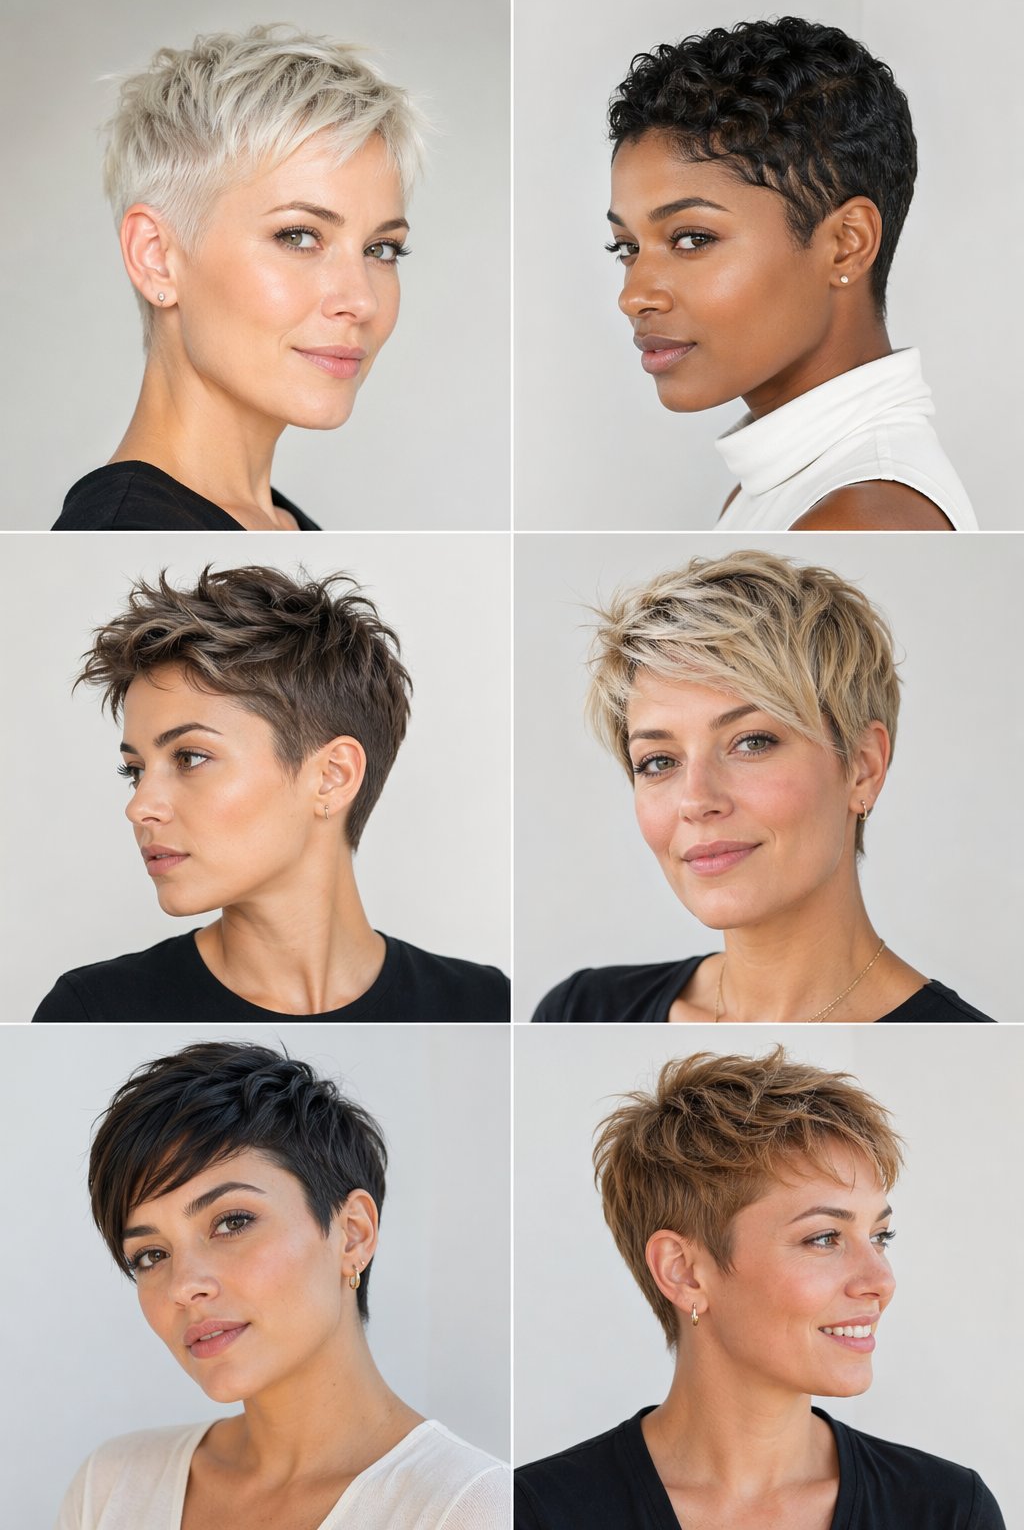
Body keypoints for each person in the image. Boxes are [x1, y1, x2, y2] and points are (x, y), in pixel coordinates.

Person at [515, 1047, 1005, 1529]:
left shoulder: (949, 1511)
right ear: (684, 1271)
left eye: (880, 1237)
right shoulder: (532, 1513)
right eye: (824, 1238)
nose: (882, 1281)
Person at [57, 1040, 510, 1528]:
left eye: (231, 1223)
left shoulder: (470, 1508)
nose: (184, 1286)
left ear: (353, 1234)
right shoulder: (113, 1487)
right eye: (151, 1255)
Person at [33, 564, 509, 1022]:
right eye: (134, 770)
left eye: (189, 757)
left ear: (332, 776)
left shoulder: (485, 1005)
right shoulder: (94, 1011)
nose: (139, 808)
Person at [533, 550, 991, 1023]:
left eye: (751, 742)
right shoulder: (581, 1012)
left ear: (862, 767)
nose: (696, 800)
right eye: (659, 761)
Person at [605, 17, 977, 531]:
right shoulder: (776, 487)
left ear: (848, 244)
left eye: (693, 238)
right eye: (626, 246)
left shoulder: (861, 514)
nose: (634, 296)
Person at [52, 27, 423, 531]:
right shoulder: (129, 528)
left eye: (381, 249)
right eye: (298, 236)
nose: (361, 300)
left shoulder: (276, 528)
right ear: (156, 256)